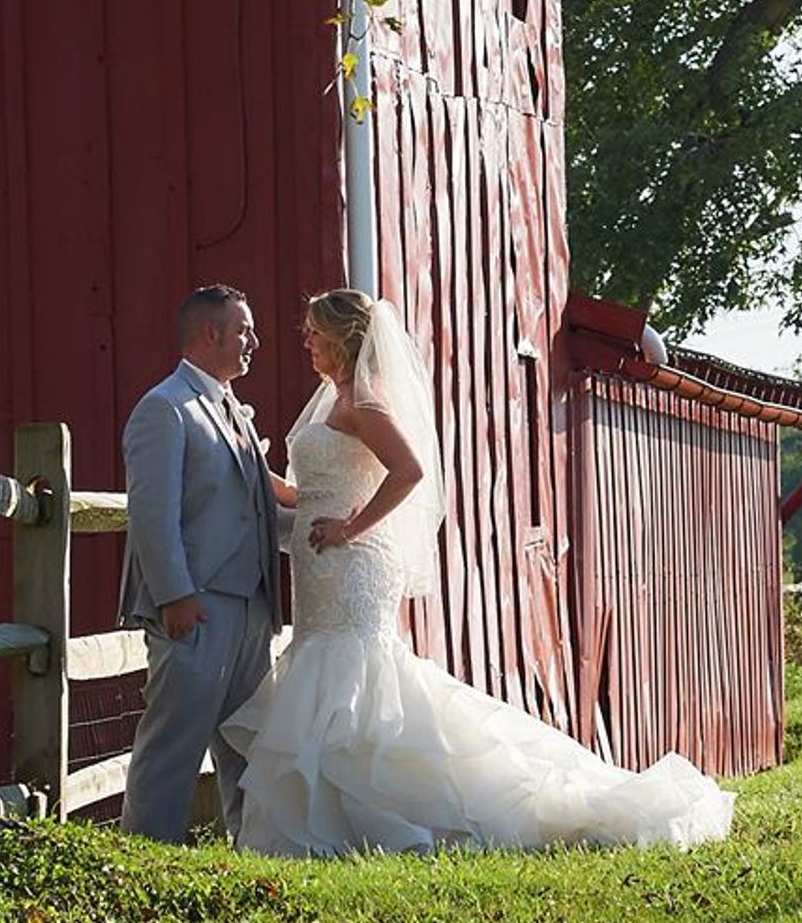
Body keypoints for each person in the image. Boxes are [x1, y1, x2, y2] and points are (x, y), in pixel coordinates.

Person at [222, 289, 733, 855]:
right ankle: (339, 819)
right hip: (322, 573)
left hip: (352, 567)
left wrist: (352, 528)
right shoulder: (335, 401)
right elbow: (309, 494)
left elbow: (409, 471)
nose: (306, 340)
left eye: (315, 331)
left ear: (342, 337)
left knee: (354, 676)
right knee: (333, 677)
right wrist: (255, 465)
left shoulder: (366, 403)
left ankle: (383, 815)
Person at [116, 285, 293, 843]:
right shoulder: (165, 408)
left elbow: (256, 507)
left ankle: (252, 850)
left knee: (249, 744)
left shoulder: (232, 409)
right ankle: (149, 854)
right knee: (175, 741)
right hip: (196, 606)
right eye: (243, 331)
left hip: (252, 608)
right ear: (210, 334)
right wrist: (174, 596)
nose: (254, 342)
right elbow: (153, 514)